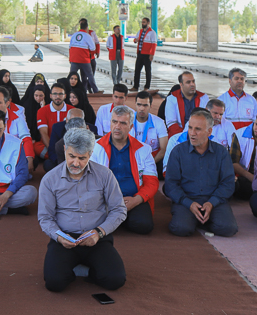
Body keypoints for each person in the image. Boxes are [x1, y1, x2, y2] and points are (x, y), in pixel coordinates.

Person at [38, 128, 127, 292]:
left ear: (90, 154)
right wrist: (59, 237)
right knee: (54, 282)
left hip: (97, 238)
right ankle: (76, 269)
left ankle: (85, 271)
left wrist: (99, 232)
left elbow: (119, 210)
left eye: (82, 158)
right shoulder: (49, 179)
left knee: (115, 279)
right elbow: (45, 218)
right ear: (64, 149)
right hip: (64, 239)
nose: (75, 163)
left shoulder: (105, 175)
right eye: (71, 156)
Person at [165, 110, 237, 237]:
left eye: (197, 129)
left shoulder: (221, 153)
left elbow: (228, 183)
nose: (192, 133)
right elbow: (171, 184)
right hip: (187, 200)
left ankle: (200, 220)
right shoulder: (178, 152)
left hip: (214, 200)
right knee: (180, 228)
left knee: (228, 228)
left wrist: (211, 203)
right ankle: (197, 220)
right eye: (190, 128)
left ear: (209, 132)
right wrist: (189, 203)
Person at [90, 106, 157, 234]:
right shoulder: (95, 147)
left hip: (133, 198)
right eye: (114, 121)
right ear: (110, 123)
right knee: (89, 223)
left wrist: (137, 199)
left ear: (131, 127)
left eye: (123, 123)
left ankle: (117, 219)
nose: (117, 126)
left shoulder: (144, 149)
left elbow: (152, 182)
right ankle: (119, 217)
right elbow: (90, 180)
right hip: (105, 200)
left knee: (144, 225)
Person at [164, 71, 209, 136]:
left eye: (193, 81)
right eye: (188, 82)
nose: (192, 84)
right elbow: (171, 123)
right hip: (179, 136)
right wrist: (185, 136)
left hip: (199, 135)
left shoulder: (203, 97)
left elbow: (207, 120)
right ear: (181, 85)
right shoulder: (172, 98)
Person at [132, 91, 167, 167]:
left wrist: (150, 163)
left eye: (145, 105)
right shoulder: (127, 121)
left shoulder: (159, 122)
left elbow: (163, 149)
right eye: (139, 105)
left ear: (151, 106)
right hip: (131, 158)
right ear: (135, 104)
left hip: (152, 158)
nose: (142, 108)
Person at [34, 83, 68, 161]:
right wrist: (53, 150)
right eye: (55, 94)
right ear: (50, 95)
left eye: (60, 94)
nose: (57, 96)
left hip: (67, 145)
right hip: (49, 145)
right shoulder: (42, 111)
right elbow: (43, 133)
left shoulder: (71, 110)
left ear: (65, 96)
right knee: (36, 147)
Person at [68, 19, 97, 93]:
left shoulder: (74, 35)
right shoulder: (87, 36)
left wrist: (70, 59)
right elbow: (93, 48)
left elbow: (70, 47)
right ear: (87, 28)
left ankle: (69, 89)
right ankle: (95, 90)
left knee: (71, 75)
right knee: (90, 76)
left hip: (74, 59)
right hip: (84, 60)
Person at [131, 17, 157, 91]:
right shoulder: (140, 31)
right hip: (140, 53)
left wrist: (152, 54)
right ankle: (136, 86)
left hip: (147, 55)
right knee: (137, 70)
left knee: (147, 71)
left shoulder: (152, 32)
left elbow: (154, 44)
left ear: (148, 23)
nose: (142, 23)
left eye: (144, 22)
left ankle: (147, 87)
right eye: (142, 22)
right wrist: (135, 40)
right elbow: (135, 39)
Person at [25, 84, 48, 157]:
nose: (38, 98)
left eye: (41, 96)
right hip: (31, 136)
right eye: (36, 95)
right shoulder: (27, 106)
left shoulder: (48, 106)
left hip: (43, 137)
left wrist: (43, 108)